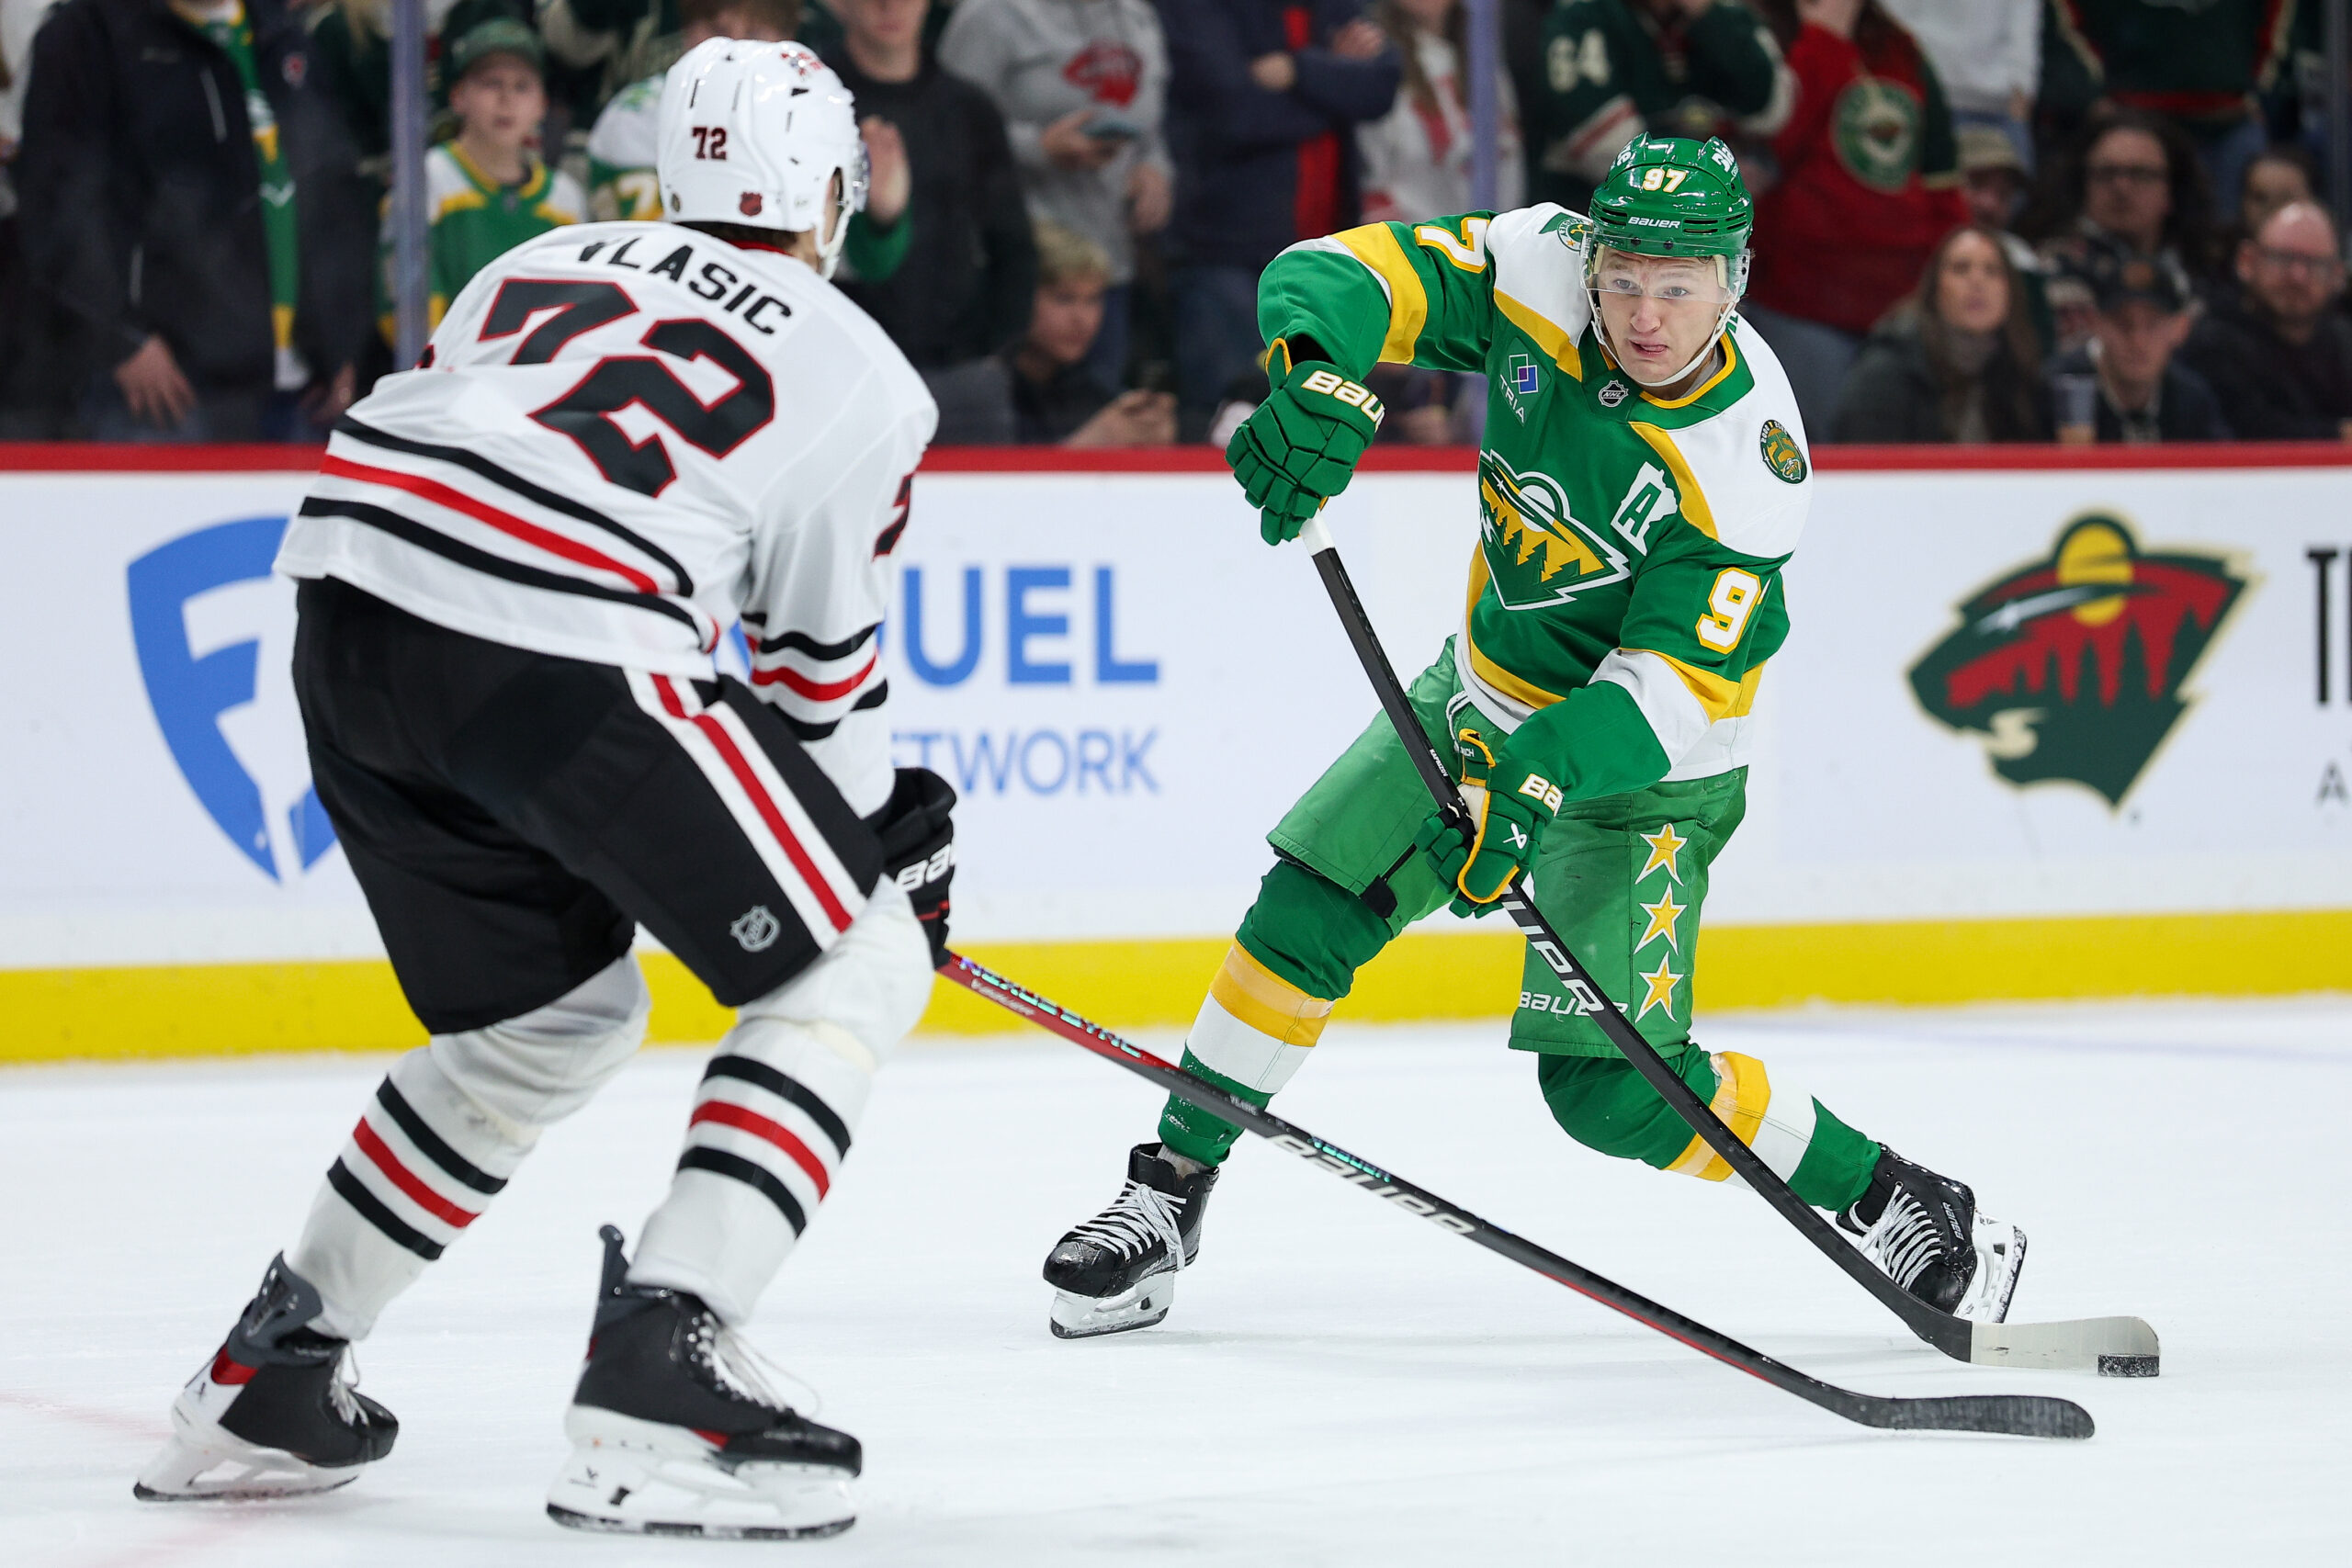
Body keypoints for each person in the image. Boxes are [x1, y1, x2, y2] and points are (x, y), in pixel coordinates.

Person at [132, 39, 955, 1540]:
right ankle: (669, 1354)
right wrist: (876, 855)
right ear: (827, 189)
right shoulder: (858, 365)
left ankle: (280, 1360)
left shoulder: (538, 256)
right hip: (552, 634)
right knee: (861, 955)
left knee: (552, 1018)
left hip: (342, 614)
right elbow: (814, 678)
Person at [1040, 135, 2027, 1344]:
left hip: (1646, 776)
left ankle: (1890, 1190)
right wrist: (1317, 379)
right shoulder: (1537, 265)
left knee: (1611, 1091)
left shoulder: (1749, 465)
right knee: (1302, 910)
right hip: (1479, 694)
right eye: (1623, 279)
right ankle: (1168, 1192)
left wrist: (1539, 778)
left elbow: (1662, 692)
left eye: (1679, 286)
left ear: (1737, 280)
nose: (1644, 314)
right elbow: (1329, 274)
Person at [17, 0, 373, 442]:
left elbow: (336, 199)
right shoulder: (89, 33)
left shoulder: (282, 34)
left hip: (303, 387)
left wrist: (342, 340)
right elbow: (57, 205)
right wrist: (120, 339)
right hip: (167, 387)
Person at [1159, 0, 1400, 437]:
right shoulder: (1201, 10)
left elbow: (1381, 87)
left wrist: (1297, 72)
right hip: (1226, 253)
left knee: (1313, 422)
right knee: (1226, 419)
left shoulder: (1335, 7)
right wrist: (1337, 83)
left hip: (1323, 264)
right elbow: (1232, 111)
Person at [1739, 0, 1967, 437]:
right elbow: (1775, 141)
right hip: (1800, 304)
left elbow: (1942, 185)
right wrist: (1825, 37)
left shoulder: (1900, 50)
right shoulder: (1756, 34)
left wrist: (1936, 288)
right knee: (1816, 458)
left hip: (1900, 307)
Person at [819, 0, 1039, 442]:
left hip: (962, 374)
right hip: (845, 375)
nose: (889, 5)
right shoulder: (810, 103)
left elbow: (1012, 242)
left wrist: (997, 353)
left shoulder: (969, 109)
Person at [582, 0, 912, 285]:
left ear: (788, 37)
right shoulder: (636, 114)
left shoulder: (809, 111)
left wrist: (882, 219)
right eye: (717, 28)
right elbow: (657, 254)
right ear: (686, 30)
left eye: (755, 30)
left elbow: (852, 262)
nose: (735, 42)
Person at [938, 0, 1172, 394]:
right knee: (1014, 435)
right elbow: (947, 125)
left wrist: (1156, 171)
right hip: (1018, 273)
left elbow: (1151, 130)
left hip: (1106, 270)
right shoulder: (991, 15)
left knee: (1096, 420)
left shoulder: (1137, 15)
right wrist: (1039, 148)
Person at [384, 19, 587, 340]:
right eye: (491, 83)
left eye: (522, 86)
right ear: (458, 97)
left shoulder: (565, 199)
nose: (506, 99)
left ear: (541, 106)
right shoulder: (426, 178)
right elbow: (403, 308)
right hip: (445, 379)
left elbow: (577, 311)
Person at [1527, 0, 1790, 213]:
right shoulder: (1583, 13)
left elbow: (1772, 110)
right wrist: (1705, 179)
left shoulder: (1726, 13)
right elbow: (1597, 139)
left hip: (1712, 217)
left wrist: (1709, 18)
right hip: (1599, 212)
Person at [2044, 0, 2295, 218]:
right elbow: (2066, 17)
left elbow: (2280, 14)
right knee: (2114, 235)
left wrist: (2262, 86)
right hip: (2127, 118)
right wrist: (2090, 90)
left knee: (2232, 239)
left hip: (2225, 120)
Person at [1832, 224, 2046, 443]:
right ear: (1934, 288)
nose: (1977, 281)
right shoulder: (1885, 373)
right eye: (1961, 269)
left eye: (1992, 271)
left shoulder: (2022, 373)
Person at [2033, 111, 2218, 354]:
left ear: (2171, 191)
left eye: (2140, 174)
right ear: (2084, 185)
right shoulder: (2055, 265)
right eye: (2106, 173)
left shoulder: (2200, 270)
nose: (2121, 187)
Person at [2181, 200, 2352, 442]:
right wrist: (2338, 435)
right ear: (2246, 260)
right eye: (2283, 258)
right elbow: (2244, 429)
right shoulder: (2212, 342)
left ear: (2337, 276)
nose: (2297, 277)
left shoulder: (2343, 342)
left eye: (2315, 264)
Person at [2044, 231, 2228, 444]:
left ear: (2180, 328)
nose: (2137, 340)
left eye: (2153, 325)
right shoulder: (2058, 390)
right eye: (2122, 323)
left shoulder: (2191, 399)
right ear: (2096, 323)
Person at [1004, 219, 1176, 443]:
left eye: (1093, 300)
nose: (1082, 319)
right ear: (1019, 297)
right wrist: (1088, 444)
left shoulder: (1092, 394)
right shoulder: (984, 395)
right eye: (1064, 299)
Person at [1357, 0, 1522, 224]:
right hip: (1413, 247)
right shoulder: (1375, 61)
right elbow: (1372, 177)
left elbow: (1510, 160)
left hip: (1490, 241)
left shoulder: (1485, 59)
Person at [1875, 0, 2035, 170]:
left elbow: (2024, 23)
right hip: (1926, 96)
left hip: (1999, 105)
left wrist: (2023, 89)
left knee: (2006, 192)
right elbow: (1891, 16)